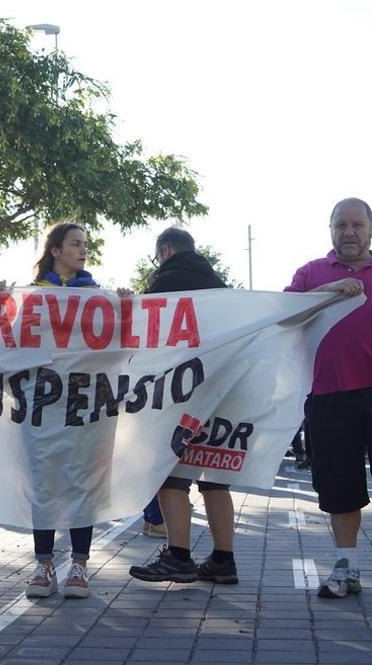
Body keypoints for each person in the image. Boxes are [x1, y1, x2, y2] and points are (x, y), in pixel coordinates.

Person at [285, 198, 372, 602]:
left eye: (357, 225)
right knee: (338, 483)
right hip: (329, 393)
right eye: (341, 225)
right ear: (329, 229)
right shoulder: (311, 273)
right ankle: (345, 565)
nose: (349, 232)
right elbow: (284, 315)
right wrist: (327, 290)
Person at [11, 222, 118, 601]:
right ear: (55, 250)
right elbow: (8, 342)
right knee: (45, 484)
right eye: (75, 244)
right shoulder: (32, 296)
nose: (82, 250)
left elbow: (119, 344)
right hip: (42, 405)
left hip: (85, 406)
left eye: (85, 245)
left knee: (82, 482)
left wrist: (127, 306)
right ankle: (43, 564)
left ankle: (79, 565)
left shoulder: (97, 297)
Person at [129, 227, 238, 586]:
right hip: (222, 392)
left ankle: (178, 556)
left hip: (180, 393)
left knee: (170, 475)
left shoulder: (164, 283)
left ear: (165, 250)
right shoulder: (220, 288)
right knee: (215, 477)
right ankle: (223, 559)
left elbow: (146, 338)